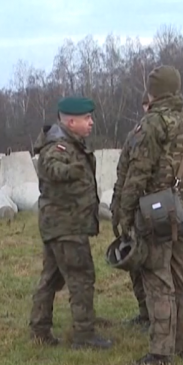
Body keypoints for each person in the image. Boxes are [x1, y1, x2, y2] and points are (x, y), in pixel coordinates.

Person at [116, 65, 183, 365]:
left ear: (153, 91)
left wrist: (124, 213)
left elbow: (137, 173)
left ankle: (160, 353)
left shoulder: (153, 123)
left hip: (157, 212)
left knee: (158, 279)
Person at [29, 96, 112, 349]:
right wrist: (71, 171)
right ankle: (84, 335)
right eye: (87, 119)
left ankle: (39, 329)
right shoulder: (58, 147)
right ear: (71, 121)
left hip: (62, 224)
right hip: (66, 226)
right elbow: (51, 168)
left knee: (51, 278)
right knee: (81, 278)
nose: (91, 123)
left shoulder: (72, 144)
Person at [111, 93, 150, 331]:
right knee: (135, 264)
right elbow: (124, 174)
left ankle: (163, 317)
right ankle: (145, 312)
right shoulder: (135, 135)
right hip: (136, 208)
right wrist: (120, 207)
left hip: (159, 210)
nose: (148, 109)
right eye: (145, 105)